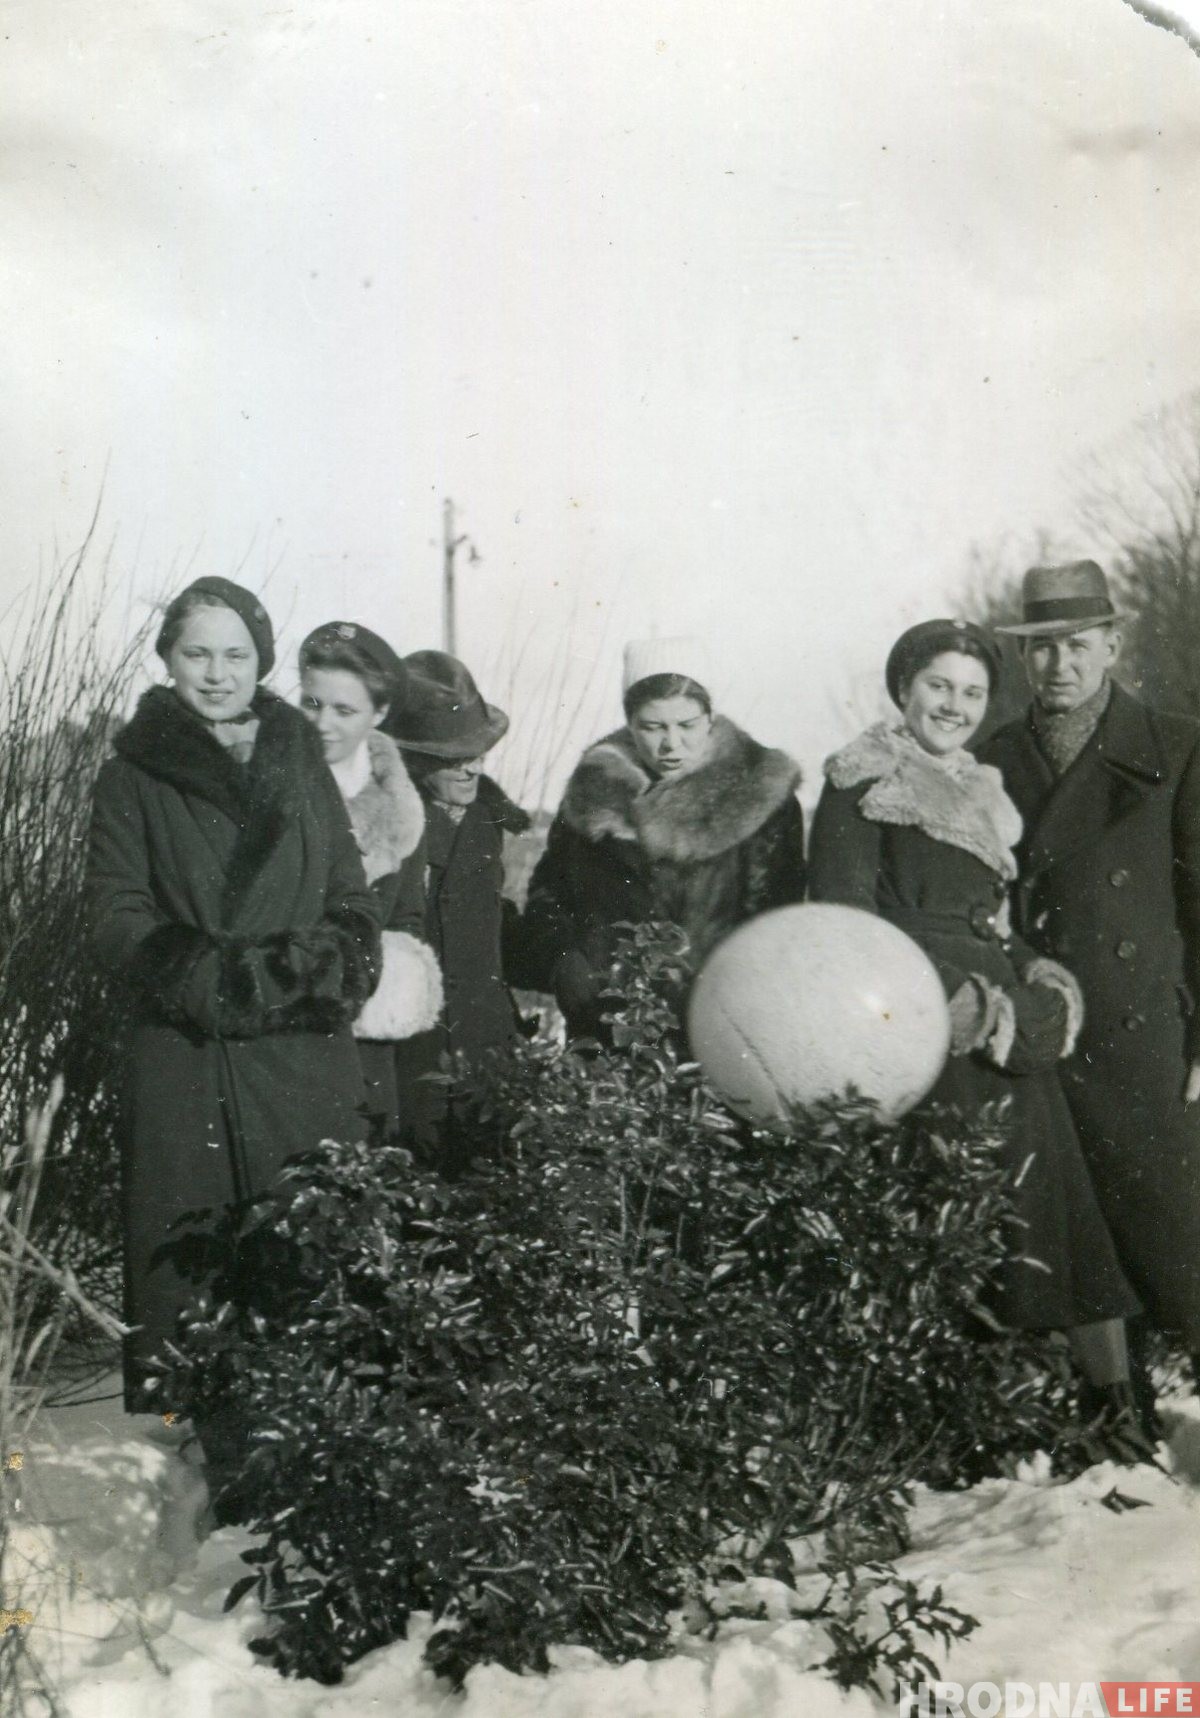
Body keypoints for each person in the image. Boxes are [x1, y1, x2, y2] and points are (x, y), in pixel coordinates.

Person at [808, 618, 1143, 1428]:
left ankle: (1114, 1407)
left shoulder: (978, 789)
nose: (953, 706)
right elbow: (843, 920)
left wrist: (1038, 975)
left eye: (972, 692)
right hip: (924, 1023)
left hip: (1001, 1024)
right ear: (903, 689)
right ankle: (955, 1422)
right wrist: (946, 1006)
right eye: (938, 687)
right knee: (950, 1218)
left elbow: (988, 918)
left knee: (1057, 1209)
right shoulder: (861, 779)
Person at [86, 577, 380, 1488]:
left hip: (298, 1051)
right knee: (200, 1267)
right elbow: (113, 912)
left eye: (236, 655)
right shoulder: (132, 773)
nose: (217, 674)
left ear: (262, 661)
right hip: (188, 1051)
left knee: (309, 1253)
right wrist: (207, 979)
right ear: (167, 660)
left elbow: (350, 899)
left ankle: (320, 1465)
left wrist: (312, 967)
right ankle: (226, 1477)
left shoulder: (301, 764)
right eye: (197, 653)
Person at [981, 561, 1200, 1390]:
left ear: (1113, 644)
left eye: (1076, 645)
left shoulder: (1178, 746)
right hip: (1044, 1031)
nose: (1058, 665)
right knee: (1073, 1245)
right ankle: (1110, 1406)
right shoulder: (991, 759)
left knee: (1176, 1238)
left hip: (1150, 1033)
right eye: (1039, 650)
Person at [522, 637, 806, 1038]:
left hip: (724, 1024)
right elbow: (549, 896)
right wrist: (566, 962)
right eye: (652, 727)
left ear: (710, 718)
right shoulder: (592, 793)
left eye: (687, 725)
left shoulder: (761, 795)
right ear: (630, 725)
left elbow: (779, 918)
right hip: (608, 1021)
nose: (671, 744)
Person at [384, 650, 530, 1170]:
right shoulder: (389, 826)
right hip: (413, 1058)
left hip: (486, 1053)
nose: (472, 766)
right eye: (453, 755)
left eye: (479, 752)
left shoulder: (487, 823)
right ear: (413, 758)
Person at [298, 621, 443, 1136]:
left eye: (344, 710)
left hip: (366, 1034)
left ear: (379, 714)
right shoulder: (273, 790)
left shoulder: (403, 809)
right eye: (311, 704)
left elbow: (407, 917)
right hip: (282, 1031)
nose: (322, 724)